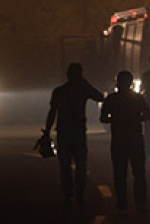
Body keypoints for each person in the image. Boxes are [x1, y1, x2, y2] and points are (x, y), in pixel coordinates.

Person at [44, 63, 105, 206]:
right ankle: (80, 194)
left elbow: (52, 112)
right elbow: (100, 97)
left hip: (63, 132)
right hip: (78, 132)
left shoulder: (59, 91)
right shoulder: (84, 90)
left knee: (65, 166)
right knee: (81, 165)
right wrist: (87, 84)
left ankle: (68, 194)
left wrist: (47, 130)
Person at [100, 70, 150, 214]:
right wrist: (135, 118)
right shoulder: (138, 98)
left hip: (119, 139)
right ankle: (140, 203)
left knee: (120, 174)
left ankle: (122, 204)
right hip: (135, 138)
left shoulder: (112, 99)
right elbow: (147, 115)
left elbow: (103, 118)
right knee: (139, 172)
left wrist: (116, 119)